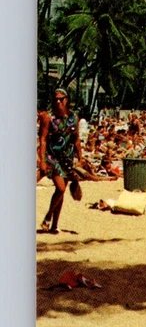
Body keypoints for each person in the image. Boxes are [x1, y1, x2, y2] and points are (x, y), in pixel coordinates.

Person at [38, 88, 84, 234]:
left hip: (67, 158)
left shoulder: (74, 118)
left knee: (60, 192)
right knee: (61, 188)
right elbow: (43, 139)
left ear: (67, 100)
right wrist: (42, 160)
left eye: (61, 99)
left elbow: (76, 139)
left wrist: (80, 158)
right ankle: (48, 216)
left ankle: (54, 225)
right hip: (52, 156)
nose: (58, 101)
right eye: (56, 99)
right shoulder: (48, 117)